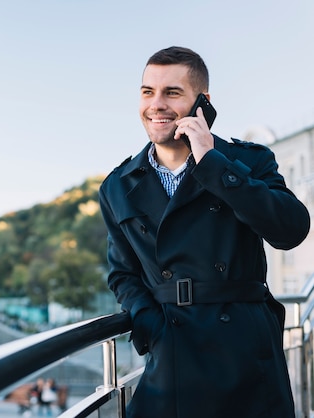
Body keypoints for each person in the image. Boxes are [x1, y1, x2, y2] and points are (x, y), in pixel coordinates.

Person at [98, 46, 310, 418]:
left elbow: (290, 230)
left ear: (203, 103)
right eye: (148, 92)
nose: (156, 104)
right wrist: (150, 324)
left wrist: (212, 163)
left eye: (172, 92)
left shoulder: (248, 161)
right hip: (171, 354)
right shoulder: (117, 186)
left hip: (246, 355)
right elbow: (122, 273)